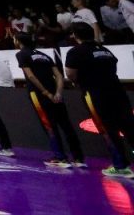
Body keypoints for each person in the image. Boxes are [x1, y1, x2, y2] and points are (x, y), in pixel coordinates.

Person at [65, 22, 134, 177]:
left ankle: (121, 166)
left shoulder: (75, 52)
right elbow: (113, 67)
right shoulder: (105, 50)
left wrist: (79, 82)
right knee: (129, 126)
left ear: (75, 36)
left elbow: (70, 74)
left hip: (95, 94)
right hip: (117, 91)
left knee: (107, 129)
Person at [13, 31, 84, 168]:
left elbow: (31, 76)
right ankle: (78, 157)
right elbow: (58, 75)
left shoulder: (21, 54)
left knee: (49, 124)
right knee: (66, 125)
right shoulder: (44, 55)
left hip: (39, 94)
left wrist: (45, 92)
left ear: (18, 41)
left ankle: (60, 157)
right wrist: (58, 92)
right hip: (55, 93)